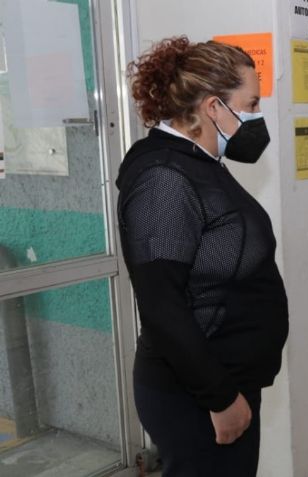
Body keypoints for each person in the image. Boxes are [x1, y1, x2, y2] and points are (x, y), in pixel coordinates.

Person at [116, 37, 288, 476]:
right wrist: (220, 398)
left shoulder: (199, 162)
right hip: (196, 392)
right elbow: (162, 306)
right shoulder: (164, 178)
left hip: (227, 379)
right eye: (250, 104)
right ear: (214, 107)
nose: (257, 116)